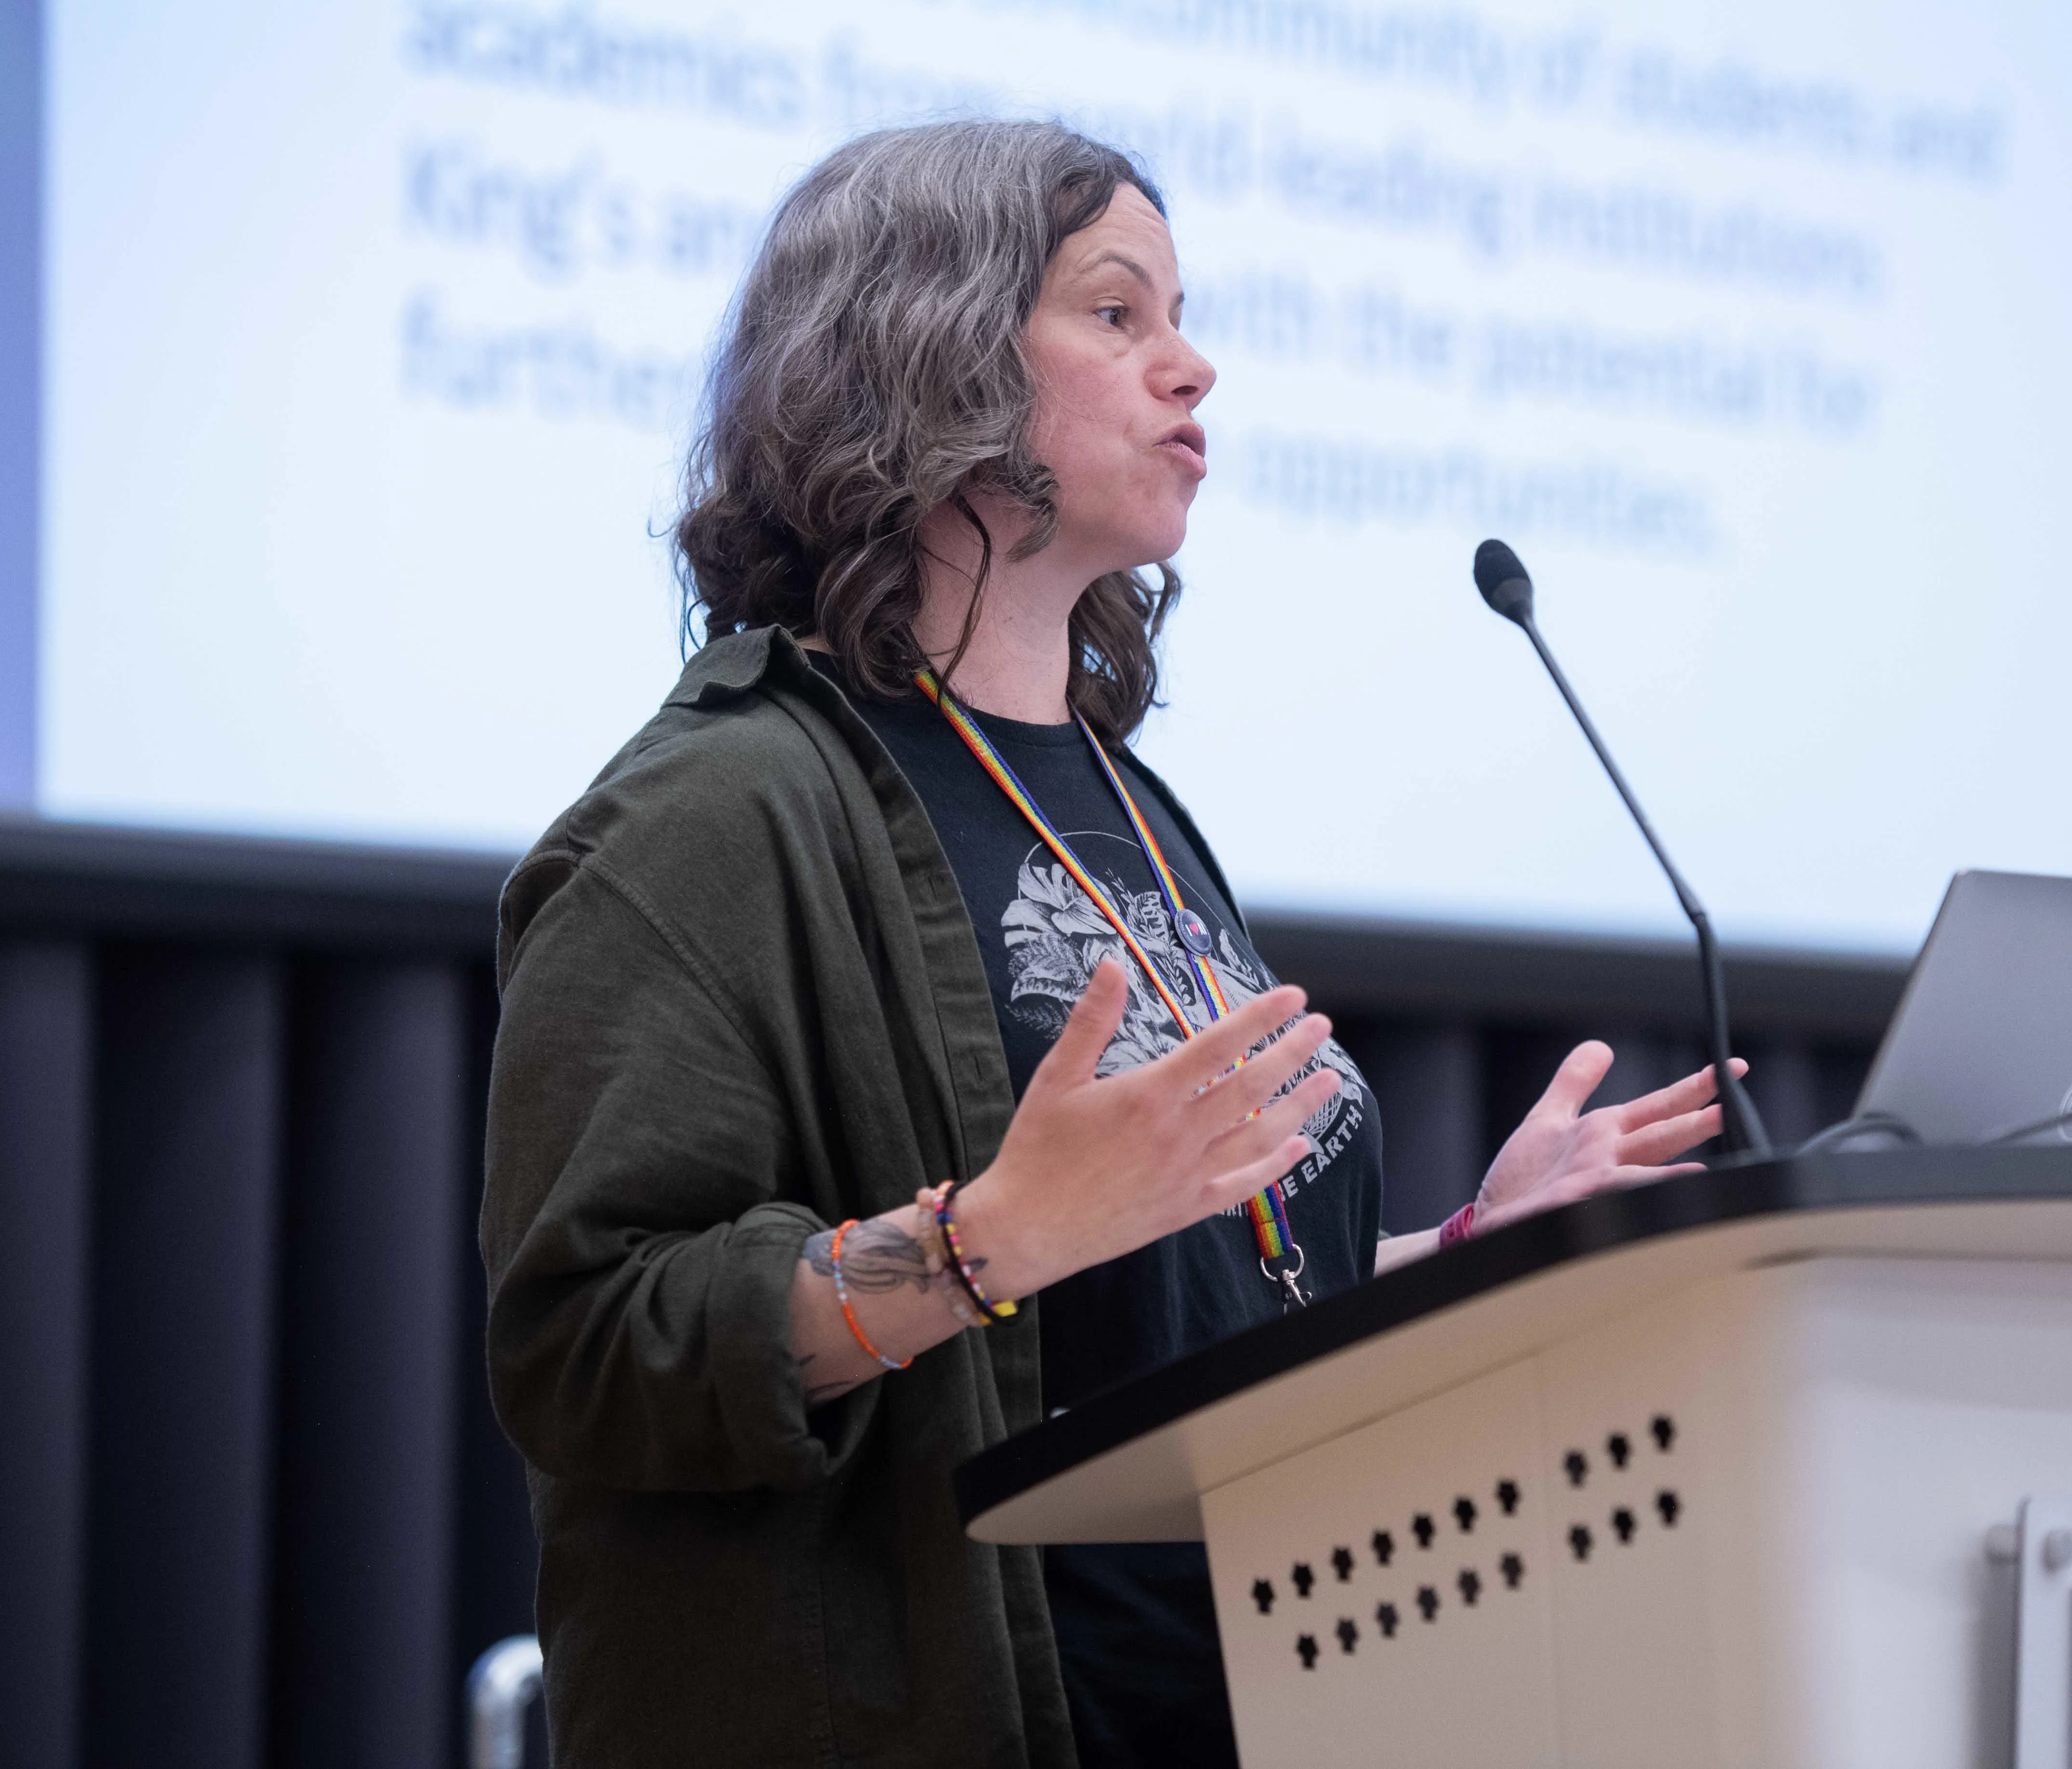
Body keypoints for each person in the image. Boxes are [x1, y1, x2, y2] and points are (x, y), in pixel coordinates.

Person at [480, 118, 1742, 1768]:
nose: (1193, 367)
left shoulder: (1123, 799)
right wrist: (982, 1237)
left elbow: (1170, 1302)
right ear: (927, 353)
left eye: (1182, 315)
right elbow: (590, 1343)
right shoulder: (715, 814)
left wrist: (1457, 1254)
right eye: (1117, 313)